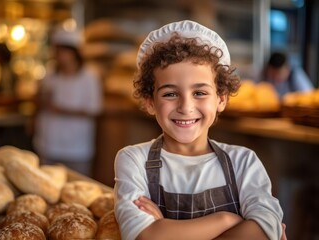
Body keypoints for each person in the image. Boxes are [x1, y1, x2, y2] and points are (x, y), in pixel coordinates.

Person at [114, 20, 286, 240]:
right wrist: (228, 220)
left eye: (200, 93)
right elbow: (143, 236)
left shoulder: (243, 162)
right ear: (149, 102)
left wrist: (165, 228)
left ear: (221, 99)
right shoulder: (133, 159)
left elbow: (266, 227)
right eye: (170, 94)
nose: (186, 107)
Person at [33, 24, 103, 176]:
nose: (58, 55)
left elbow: (94, 109)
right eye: (56, 51)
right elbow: (39, 102)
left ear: (74, 53)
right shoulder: (50, 75)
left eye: (62, 51)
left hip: (76, 148)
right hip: (48, 144)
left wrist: (61, 109)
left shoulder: (89, 77)